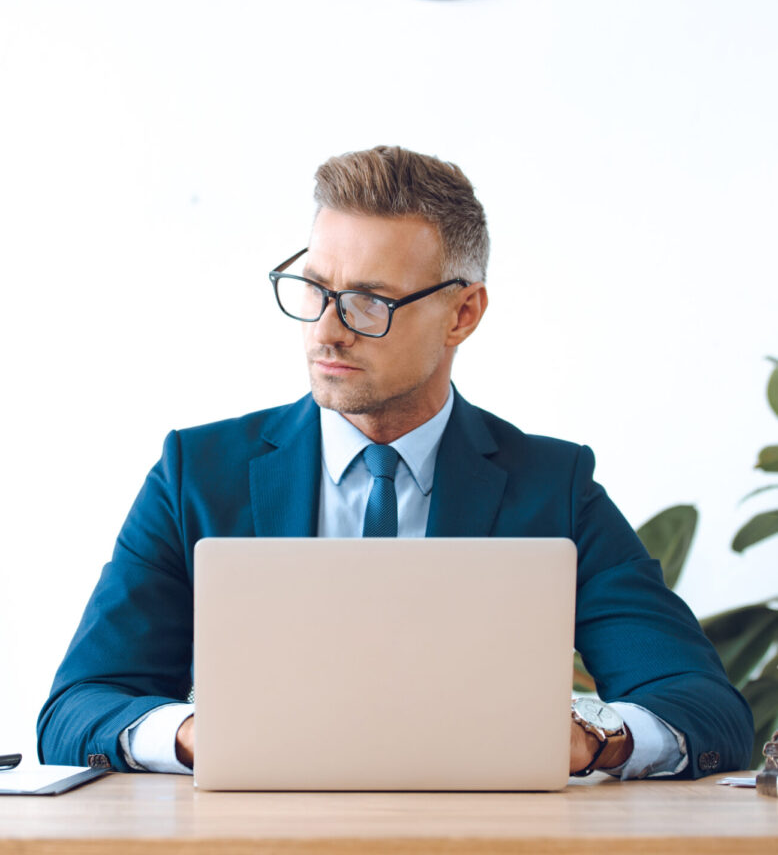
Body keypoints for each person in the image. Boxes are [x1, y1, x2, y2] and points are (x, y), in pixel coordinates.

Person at [38, 145, 753, 778]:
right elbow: (76, 710)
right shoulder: (196, 472)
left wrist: (594, 739)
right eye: (315, 290)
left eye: (369, 302)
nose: (326, 330)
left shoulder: (552, 487)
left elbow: (706, 710)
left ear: (463, 315)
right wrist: (197, 736)